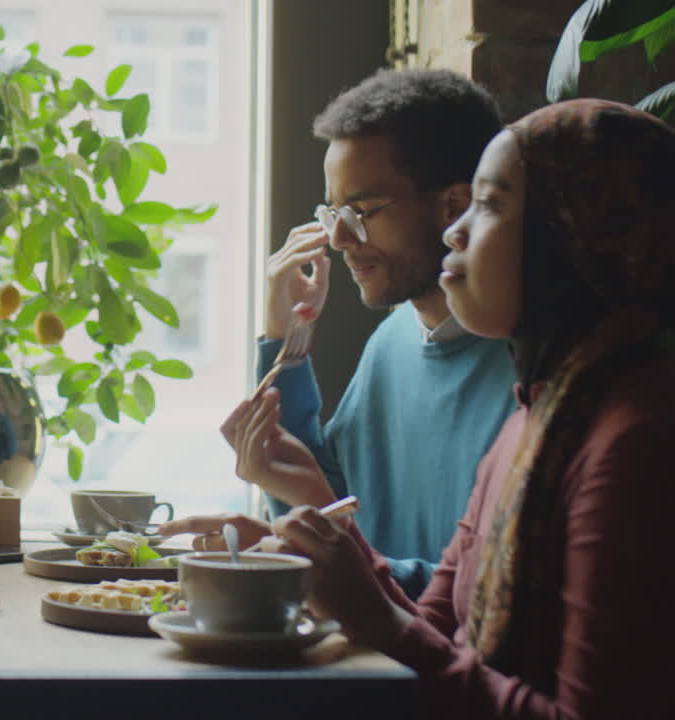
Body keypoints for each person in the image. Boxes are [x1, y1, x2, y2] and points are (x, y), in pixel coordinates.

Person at [177, 99, 675, 718]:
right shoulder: (538, 412)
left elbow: (409, 636)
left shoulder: (636, 442)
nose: (455, 231)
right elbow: (434, 626)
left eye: (488, 207)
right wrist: (307, 556)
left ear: (572, 237)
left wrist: (364, 601)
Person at [221, 69, 518, 596]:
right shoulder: (394, 341)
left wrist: (306, 550)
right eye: (333, 212)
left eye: (360, 211)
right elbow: (337, 507)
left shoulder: (534, 370)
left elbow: (486, 599)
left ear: (453, 206)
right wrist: (285, 338)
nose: (337, 238)